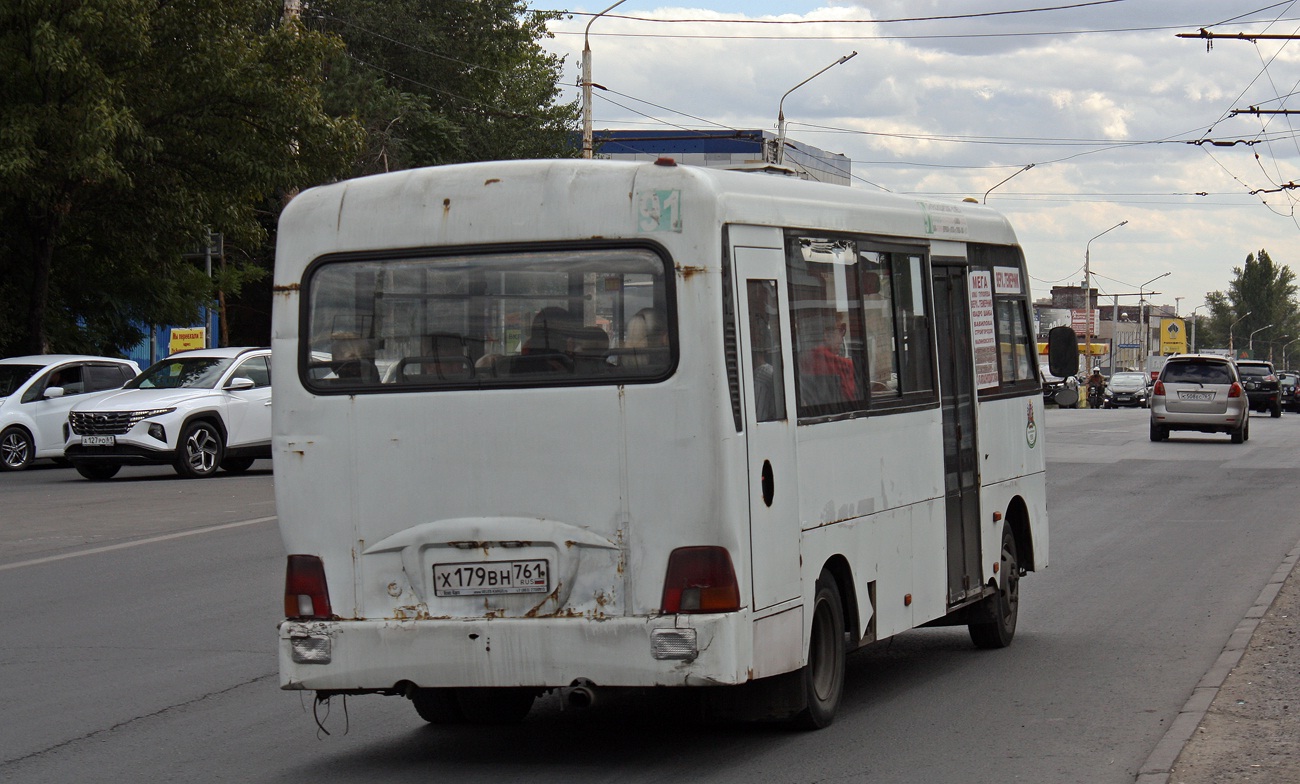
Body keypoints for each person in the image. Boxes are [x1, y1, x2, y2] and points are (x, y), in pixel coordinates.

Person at [800, 313, 858, 401]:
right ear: (826, 335)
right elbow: (852, 401)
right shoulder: (845, 366)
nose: (841, 338)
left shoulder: (803, 360)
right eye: (840, 331)